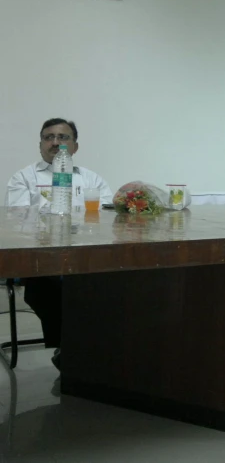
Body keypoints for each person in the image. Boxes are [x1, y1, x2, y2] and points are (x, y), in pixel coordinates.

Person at [5, 118, 113, 369]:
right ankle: (66, 347)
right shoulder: (23, 177)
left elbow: (107, 217)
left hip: (86, 255)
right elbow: (16, 222)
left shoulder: (92, 179)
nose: (55, 143)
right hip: (41, 258)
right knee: (50, 286)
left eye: (63, 137)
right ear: (40, 144)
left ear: (75, 146)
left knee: (111, 281)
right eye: (48, 137)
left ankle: (98, 346)